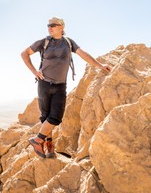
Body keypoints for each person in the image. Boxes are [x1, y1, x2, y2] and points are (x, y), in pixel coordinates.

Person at [21, 17, 111, 158]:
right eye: (48, 25)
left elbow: (83, 54)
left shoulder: (69, 43)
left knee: (56, 117)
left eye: (53, 25)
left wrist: (100, 65)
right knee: (46, 116)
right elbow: (24, 53)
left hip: (60, 85)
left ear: (61, 27)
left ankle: (37, 140)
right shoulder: (43, 42)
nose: (49, 27)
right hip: (44, 84)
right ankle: (48, 145)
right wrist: (34, 71)